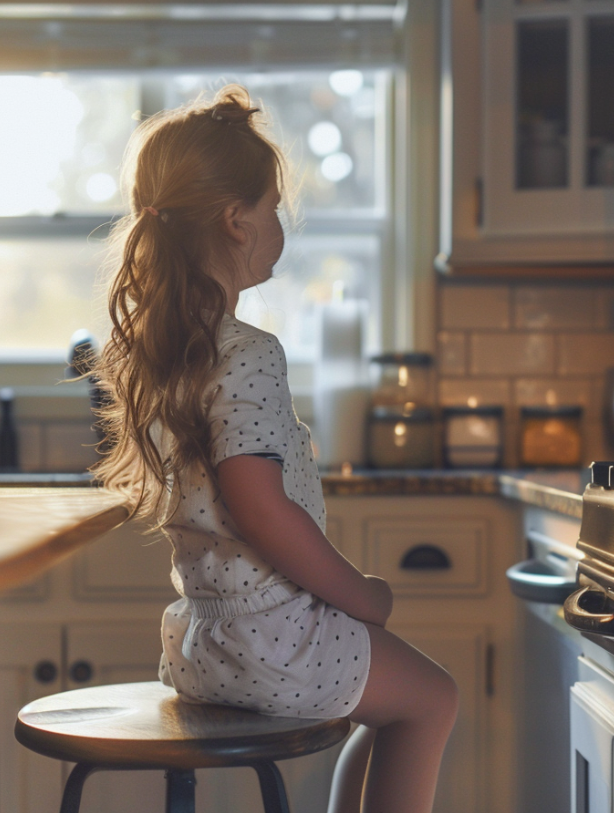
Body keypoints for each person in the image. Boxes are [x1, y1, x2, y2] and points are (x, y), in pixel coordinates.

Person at [93, 84, 458, 813]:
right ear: (237, 221)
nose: (277, 222)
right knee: (432, 700)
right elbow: (260, 508)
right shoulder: (247, 352)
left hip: (204, 644)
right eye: (273, 207)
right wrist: (360, 594)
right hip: (274, 638)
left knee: (388, 710)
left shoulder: (168, 355)